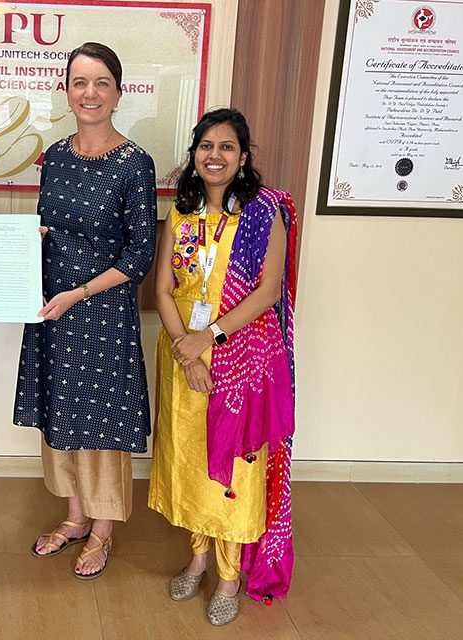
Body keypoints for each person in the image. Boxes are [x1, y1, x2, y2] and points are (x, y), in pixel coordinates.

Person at [6, 42, 156, 579]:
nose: (88, 93)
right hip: (51, 310)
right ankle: (73, 517)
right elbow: (50, 230)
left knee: (103, 425)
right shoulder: (57, 156)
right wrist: (10, 239)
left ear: (118, 92)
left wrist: (81, 292)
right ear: (66, 90)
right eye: (78, 82)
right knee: (61, 417)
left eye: (100, 83)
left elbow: (140, 253)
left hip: (101, 311)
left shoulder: (135, 162)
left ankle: (102, 530)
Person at [147, 107, 297, 626]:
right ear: (194, 154)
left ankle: (229, 575)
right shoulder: (181, 213)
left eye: (226, 147)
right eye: (206, 146)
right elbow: (163, 288)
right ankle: (198, 556)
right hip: (181, 350)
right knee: (191, 458)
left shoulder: (263, 213)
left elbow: (268, 292)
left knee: (236, 465)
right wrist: (182, 345)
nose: (215, 155)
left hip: (239, 356)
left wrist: (206, 337)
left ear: (243, 156)